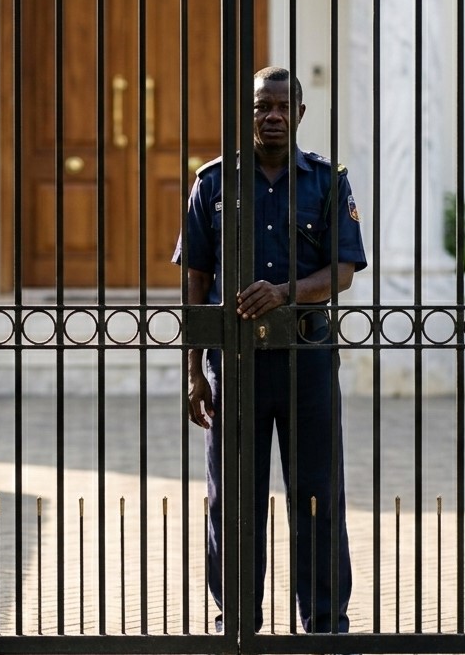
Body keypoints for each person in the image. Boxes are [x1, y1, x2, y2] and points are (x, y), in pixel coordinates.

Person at [174, 66, 367, 634]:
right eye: (263, 107)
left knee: (318, 495)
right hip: (234, 365)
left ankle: (324, 625)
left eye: (283, 107)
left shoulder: (327, 183)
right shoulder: (213, 183)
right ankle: (236, 623)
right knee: (233, 499)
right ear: (248, 114)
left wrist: (283, 292)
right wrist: (194, 371)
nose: (273, 116)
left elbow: (343, 271)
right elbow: (195, 280)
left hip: (307, 358)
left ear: (300, 114)